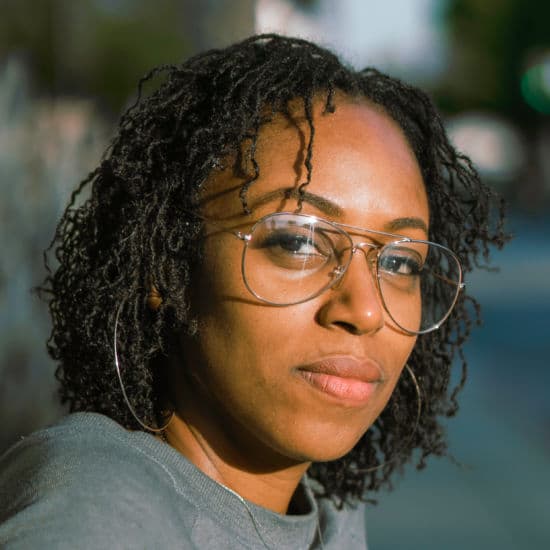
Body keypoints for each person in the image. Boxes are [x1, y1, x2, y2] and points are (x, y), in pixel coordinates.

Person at [0, 34, 506, 549]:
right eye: (299, 241)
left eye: (400, 261)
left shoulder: (327, 522)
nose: (366, 310)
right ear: (165, 267)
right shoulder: (97, 514)